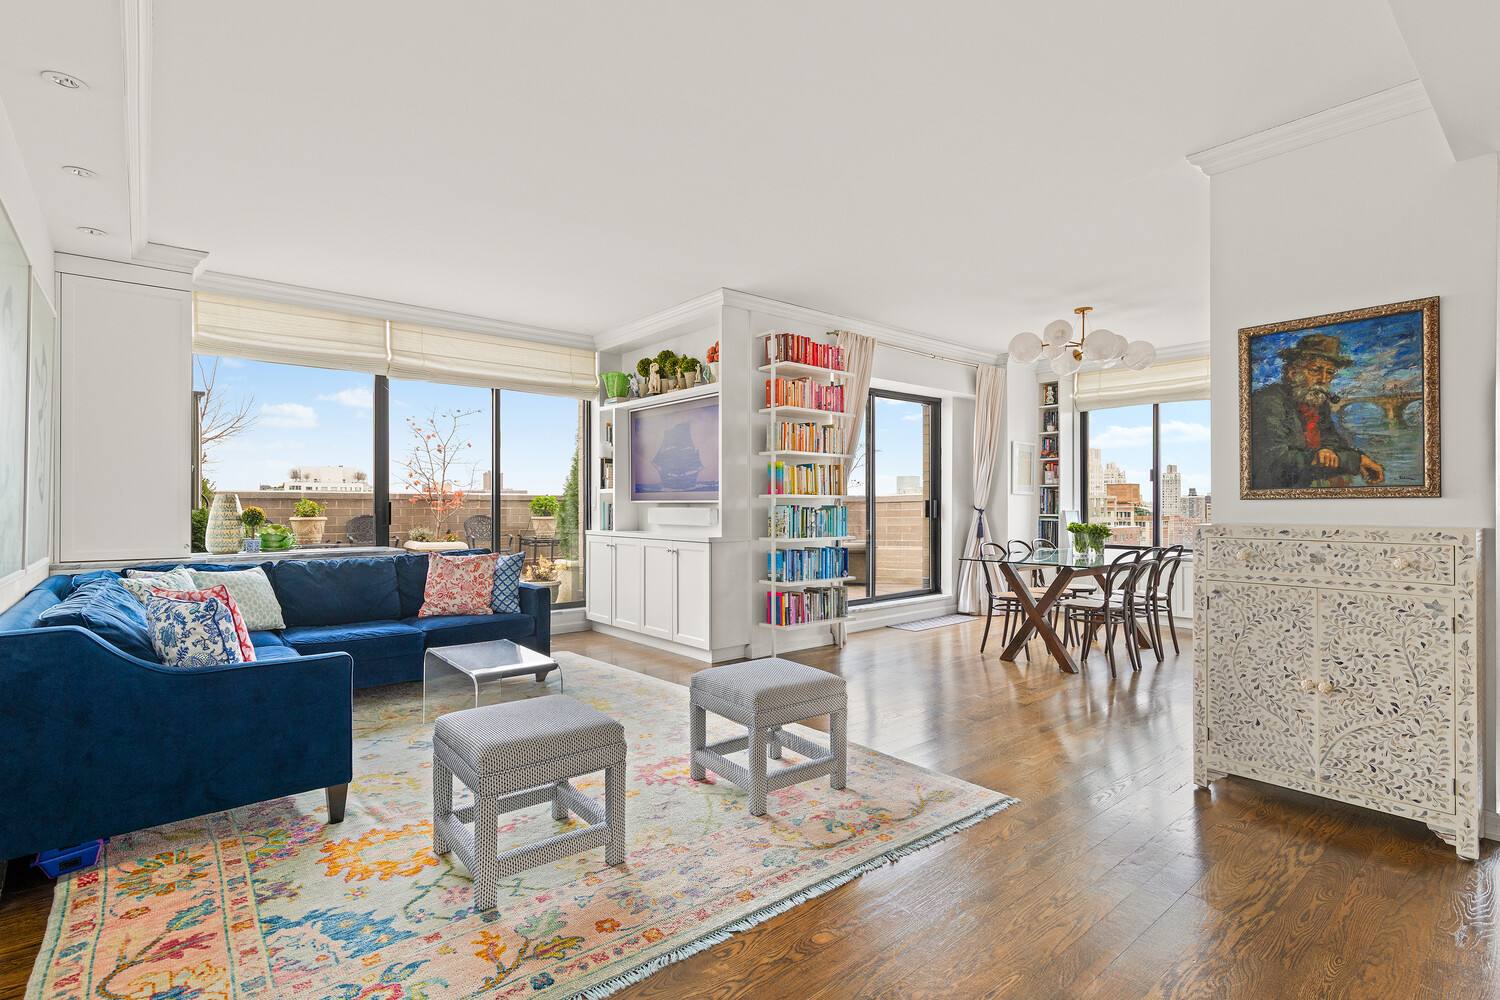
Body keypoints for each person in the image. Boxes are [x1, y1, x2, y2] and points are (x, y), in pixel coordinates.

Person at [1249, 333, 1384, 490]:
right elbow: (1277, 460)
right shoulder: (1268, 402)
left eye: (1330, 373)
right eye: (1315, 370)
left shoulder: (1318, 403)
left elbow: (1333, 443)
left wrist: (1359, 458)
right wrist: (1349, 460)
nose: (1323, 379)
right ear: (1293, 374)